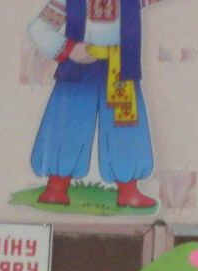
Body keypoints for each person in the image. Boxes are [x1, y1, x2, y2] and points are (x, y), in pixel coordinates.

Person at [26, 0, 167, 209]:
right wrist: (70, 49)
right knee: (68, 122)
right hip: (76, 68)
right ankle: (56, 187)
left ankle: (128, 190)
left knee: (124, 125)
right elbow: (39, 28)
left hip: (120, 66)